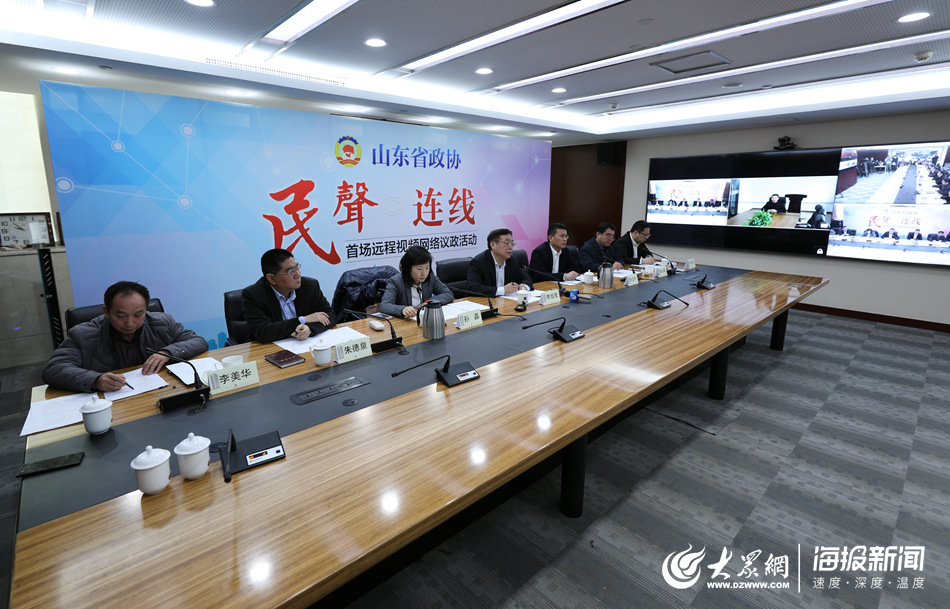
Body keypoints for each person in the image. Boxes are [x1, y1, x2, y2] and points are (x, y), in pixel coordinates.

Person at [42, 281, 208, 393]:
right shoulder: (83, 334)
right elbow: (54, 369)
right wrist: (95, 380)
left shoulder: (163, 322)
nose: (129, 323)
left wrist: (167, 352)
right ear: (106, 311)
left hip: (156, 394)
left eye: (138, 315)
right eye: (121, 316)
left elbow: (198, 341)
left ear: (146, 310)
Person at [242, 248, 335, 343]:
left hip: (304, 345)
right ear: (272, 278)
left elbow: (330, 315)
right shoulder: (254, 295)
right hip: (270, 348)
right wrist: (302, 320)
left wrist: (309, 328)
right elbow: (263, 332)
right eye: (291, 272)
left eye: (297, 268)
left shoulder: (309, 286)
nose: (298, 275)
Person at [379, 246, 454, 318]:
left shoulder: (430, 277)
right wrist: (402, 309)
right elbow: (384, 306)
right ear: (408, 268)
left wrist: (430, 302)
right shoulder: (396, 282)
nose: (424, 273)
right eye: (419, 269)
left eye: (427, 268)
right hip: (405, 322)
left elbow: (447, 293)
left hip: (425, 319)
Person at [466, 228, 532, 297]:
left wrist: (524, 286)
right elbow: (472, 287)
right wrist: (503, 290)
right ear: (492, 245)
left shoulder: (512, 260)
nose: (510, 247)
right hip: (486, 301)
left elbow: (526, 277)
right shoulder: (479, 262)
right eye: (507, 243)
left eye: (512, 243)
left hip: (507, 301)